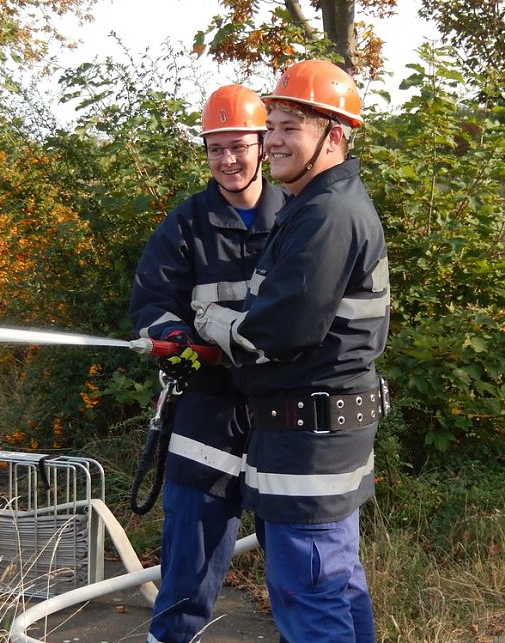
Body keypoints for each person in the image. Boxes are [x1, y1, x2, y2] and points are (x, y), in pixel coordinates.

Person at [192, 59, 391, 642]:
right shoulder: (314, 204)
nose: (272, 140)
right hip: (319, 438)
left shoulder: (327, 214)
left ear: (334, 135)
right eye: (272, 124)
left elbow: (279, 332)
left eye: (289, 127)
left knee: (309, 597)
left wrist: (211, 322)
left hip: (309, 444)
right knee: (337, 584)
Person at [129, 84, 288, 643]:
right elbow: (151, 301)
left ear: (264, 145)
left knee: (295, 556)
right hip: (208, 408)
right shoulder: (186, 224)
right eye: (215, 148)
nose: (227, 160)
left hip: (280, 407)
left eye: (238, 146)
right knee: (189, 556)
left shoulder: (298, 216)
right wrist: (173, 336)